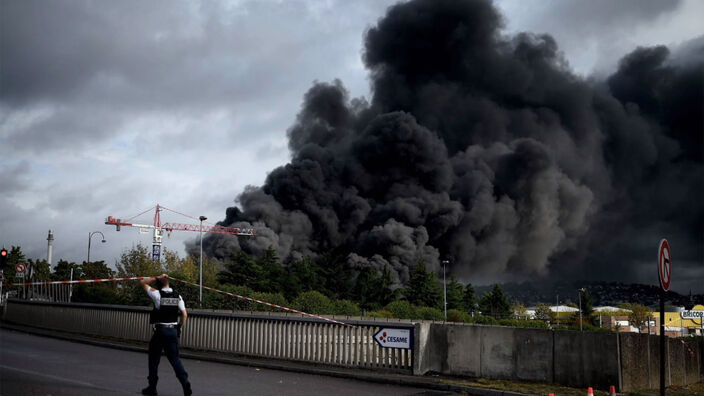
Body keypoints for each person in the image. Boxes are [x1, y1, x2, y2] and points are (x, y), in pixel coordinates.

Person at [140, 274, 192, 396]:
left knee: (154, 359)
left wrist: (155, 277)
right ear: (168, 283)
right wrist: (180, 327)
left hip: (160, 331)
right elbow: (185, 315)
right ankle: (185, 383)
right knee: (175, 359)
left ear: (158, 284)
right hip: (173, 331)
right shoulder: (177, 296)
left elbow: (143, 282)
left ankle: (152, 388)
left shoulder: (157, 294)